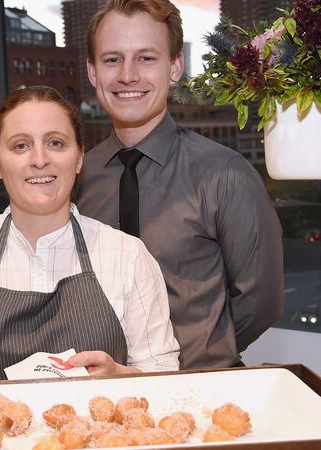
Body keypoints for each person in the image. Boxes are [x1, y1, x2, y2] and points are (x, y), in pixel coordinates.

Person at [0, 86, 179, 406]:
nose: (39, 159)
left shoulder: (128, 255)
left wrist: (119, 377)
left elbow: (164, 378)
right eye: (21, 145)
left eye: (55, 143)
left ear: (80, 157)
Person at [76, 0, 284, 369]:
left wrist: (205, 352)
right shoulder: (76, 177)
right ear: (92, 72)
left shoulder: (225, 175)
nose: (127, 75)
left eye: (146, 58)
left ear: (175, 67)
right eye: (112, 60)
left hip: (203, 393)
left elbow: (261, 302)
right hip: (105, 399)